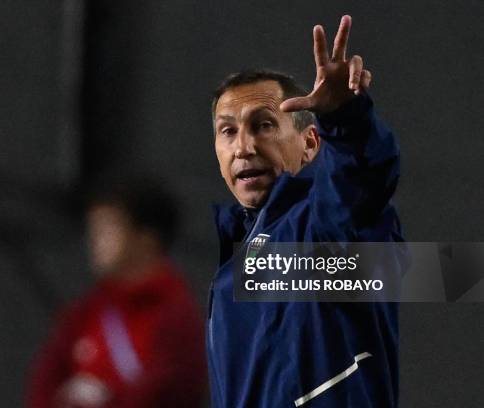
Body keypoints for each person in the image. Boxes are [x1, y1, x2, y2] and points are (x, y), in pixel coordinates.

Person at [208, 16, 402, 407]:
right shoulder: (234, 268)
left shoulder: (329, 225)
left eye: (263, 125)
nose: (243, 147)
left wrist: (346, 119)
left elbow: (363, 175)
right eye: (228, 131)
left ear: (311, 143)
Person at [26, 180, 207, 408]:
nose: (95, 240)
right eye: (93, 229)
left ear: (146, 239)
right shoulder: (87, 311)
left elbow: (171, 390)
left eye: (107, 228)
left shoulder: (177, 314)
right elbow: (46, 379)